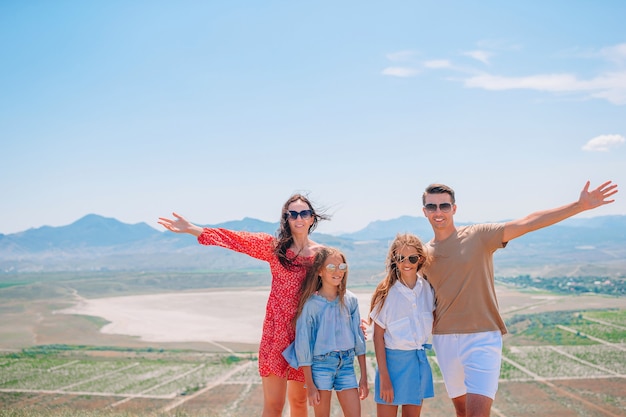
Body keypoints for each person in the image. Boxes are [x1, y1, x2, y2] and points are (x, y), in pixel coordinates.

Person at [420, 180, 619, 417]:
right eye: (432, 207)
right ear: (425, 212)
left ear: (454, 208)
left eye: (444, 205)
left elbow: (526, 223)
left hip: (482, 338)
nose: (438, 212)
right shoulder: (422, 255)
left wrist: (578, 205)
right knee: (462, 413)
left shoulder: (478, 236)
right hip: (445, 341)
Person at [158, 193, 330, 417]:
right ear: (286, 218)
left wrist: (350, 319)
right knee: (274, 405)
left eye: (304, 213)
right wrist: (193, 229)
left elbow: (333, 290)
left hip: (305, 335)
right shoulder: (274, 248)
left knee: (299, 402)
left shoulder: (322, 255)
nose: (299, 218)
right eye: (293, 214)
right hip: (277, 333)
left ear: (312, 217)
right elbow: (236, 240)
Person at [282, 247, 369, 417]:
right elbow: (303, 345)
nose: (338, 272)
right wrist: (310, 385)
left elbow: (359, 341)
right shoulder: (311, 305)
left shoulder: (351, 300)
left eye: (342, 267)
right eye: (331, 267)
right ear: (320, 271)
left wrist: (364, 377)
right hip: (321, 366)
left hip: (347, 365)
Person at [368, 233, 435, 417]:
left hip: (417, 363)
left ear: (420, 259)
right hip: (391, 366)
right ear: (394, 259)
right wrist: (384, 378)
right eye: (401, 258)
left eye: (412, 258)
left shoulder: (428, 290)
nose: (407, 263)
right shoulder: (387, 293)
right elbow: (377, 336)